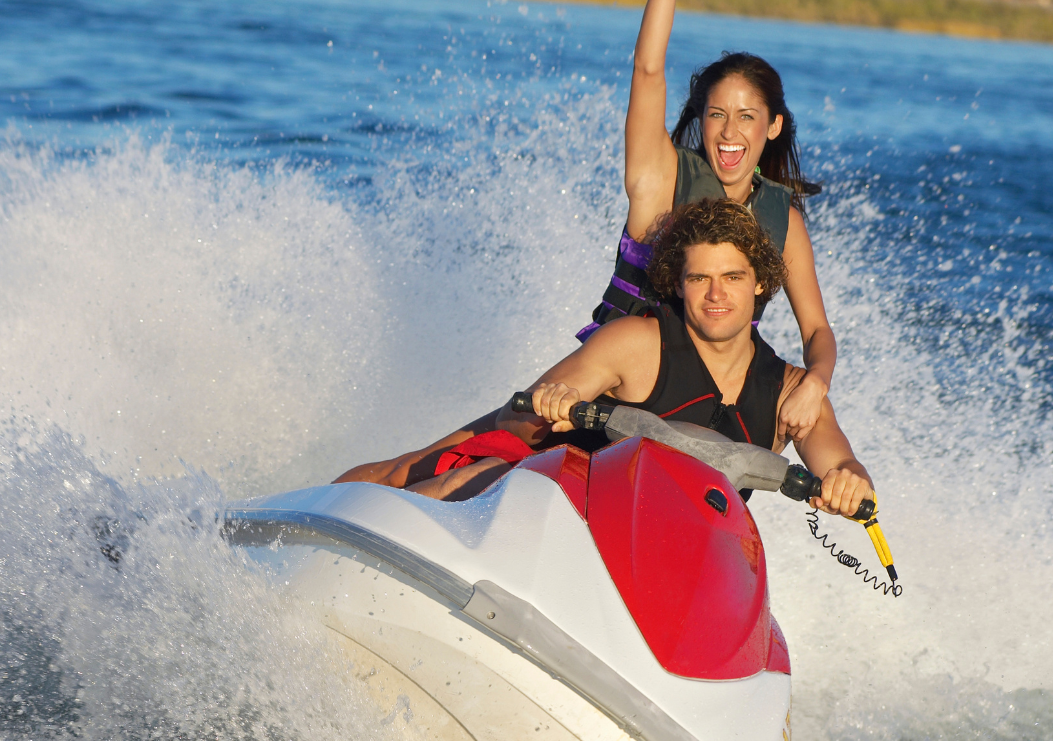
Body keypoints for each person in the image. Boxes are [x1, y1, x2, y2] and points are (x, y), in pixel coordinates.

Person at [337, 199, 872, 517]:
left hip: (670, 548)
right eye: (699, 279)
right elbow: (514, 421)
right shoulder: (636, 342)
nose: (716, 295)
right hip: (558, 498)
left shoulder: (791, 393)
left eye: (732, 278)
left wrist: (850, 483)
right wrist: (554, 402)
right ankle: (306, 518)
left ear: (760, 286)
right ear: (678, 286)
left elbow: (840, 463)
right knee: (421, 474)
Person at [579, 0, 835, 445]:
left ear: (774, 126)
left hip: (709, 416)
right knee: (441, 460)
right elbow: (648, 70)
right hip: (612, 395)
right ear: (701, 119)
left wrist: (817, 383)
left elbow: (816, 332)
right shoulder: (662, 178)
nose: (730, 132)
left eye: (747, 116)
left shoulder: (779, 219)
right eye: (717, 114)